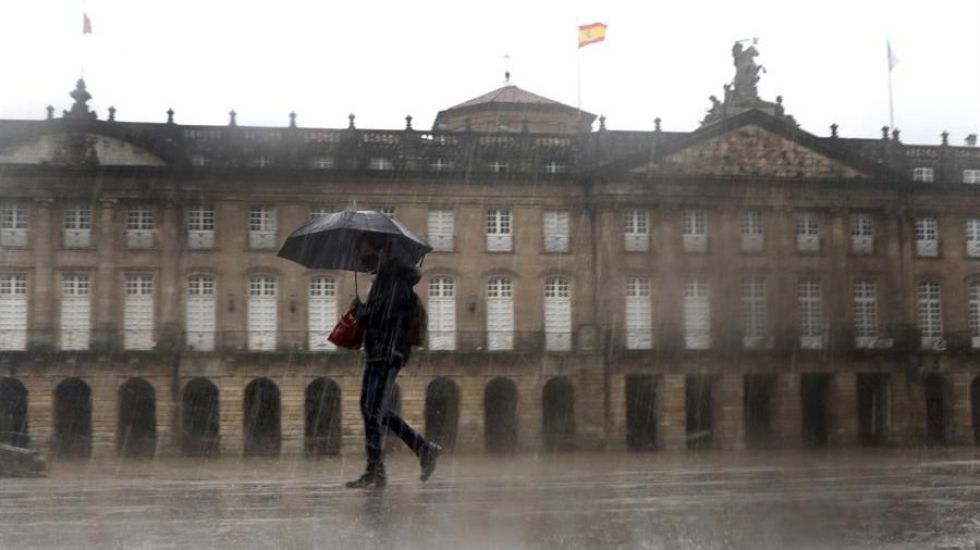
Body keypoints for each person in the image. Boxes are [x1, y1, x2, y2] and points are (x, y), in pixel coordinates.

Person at [345, 234, 442, 489]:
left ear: (379, 250)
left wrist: (361, 311)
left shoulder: (393, 277)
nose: (360, 255)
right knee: (373, 409)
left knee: (373, 409)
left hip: (387, 352)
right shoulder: (386, 277)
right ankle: (414, 452)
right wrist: (365, 309)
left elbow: (384, 314)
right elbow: (383, 311)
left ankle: (381, 468)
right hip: (380, 350)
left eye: (363, 248)